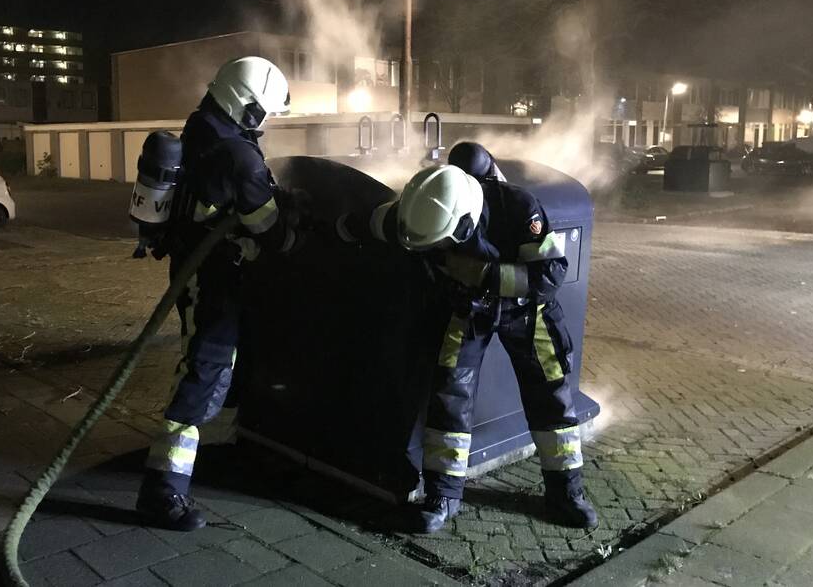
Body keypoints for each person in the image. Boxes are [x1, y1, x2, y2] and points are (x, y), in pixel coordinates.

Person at [335, 142, 596, 533]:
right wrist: (339, 224)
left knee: (551, 396)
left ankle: (566, 493)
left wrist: (486, 275)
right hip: (469, 310)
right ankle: (442, 497)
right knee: (449, 396)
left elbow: (549, 275)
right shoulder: (420, 210)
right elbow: (370, 224)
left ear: (463, 225)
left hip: (528, 312)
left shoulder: (520, 209)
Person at [136, 56, 301, 531]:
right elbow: (272, 234)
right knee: (204, 370)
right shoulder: (240, 156)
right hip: (212, 279)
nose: (266, 123)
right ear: (248, 108)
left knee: (225, 364)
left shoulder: (201, 126)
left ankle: (225, 449)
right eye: (264, 114)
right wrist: (293, 220)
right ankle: (162, 490)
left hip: (197, 268)